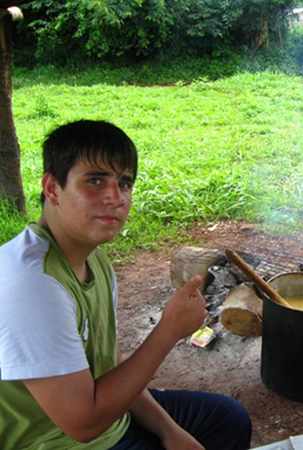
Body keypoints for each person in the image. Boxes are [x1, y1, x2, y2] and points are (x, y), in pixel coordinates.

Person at [0, 120, 252, 450]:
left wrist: (169, 431)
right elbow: (84, 425)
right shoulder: (33, 284)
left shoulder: (93, 259)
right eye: (95, 180)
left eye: (124, 183)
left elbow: (110, 362)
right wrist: (168, 331)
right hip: (60, 442)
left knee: (228, 418)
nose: (115, 197)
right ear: (52, 188)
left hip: (110, 420)